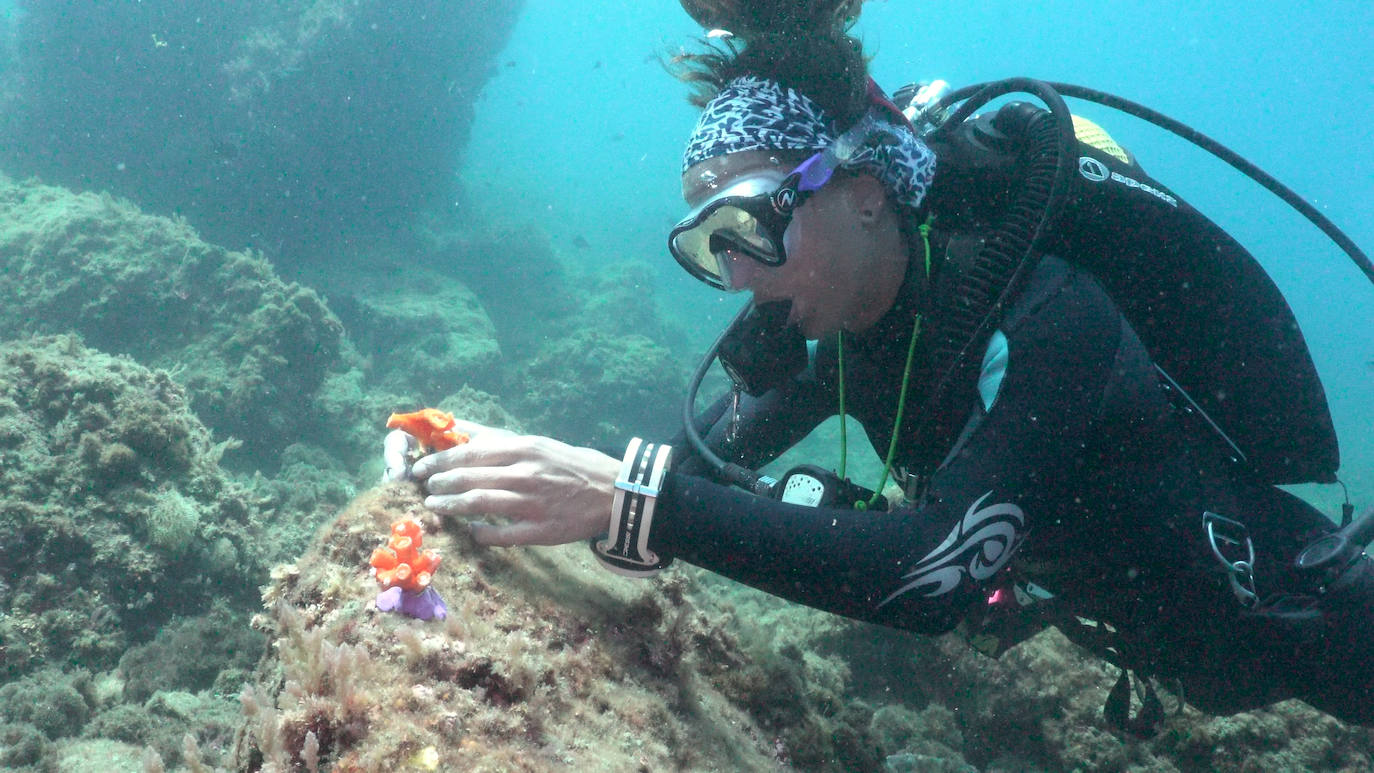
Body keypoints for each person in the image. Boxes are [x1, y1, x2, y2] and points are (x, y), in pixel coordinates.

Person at [396, 2, 1374, 731]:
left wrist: (626, 499)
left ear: (863, 192)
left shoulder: (1047, 318)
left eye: (751, 224)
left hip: (1313, 617)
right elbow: (687, 466)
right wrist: (479, 466)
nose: (736, 275)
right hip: (1185, 653)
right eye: (706, 245)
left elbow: (929, 573)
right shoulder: (845, 339)